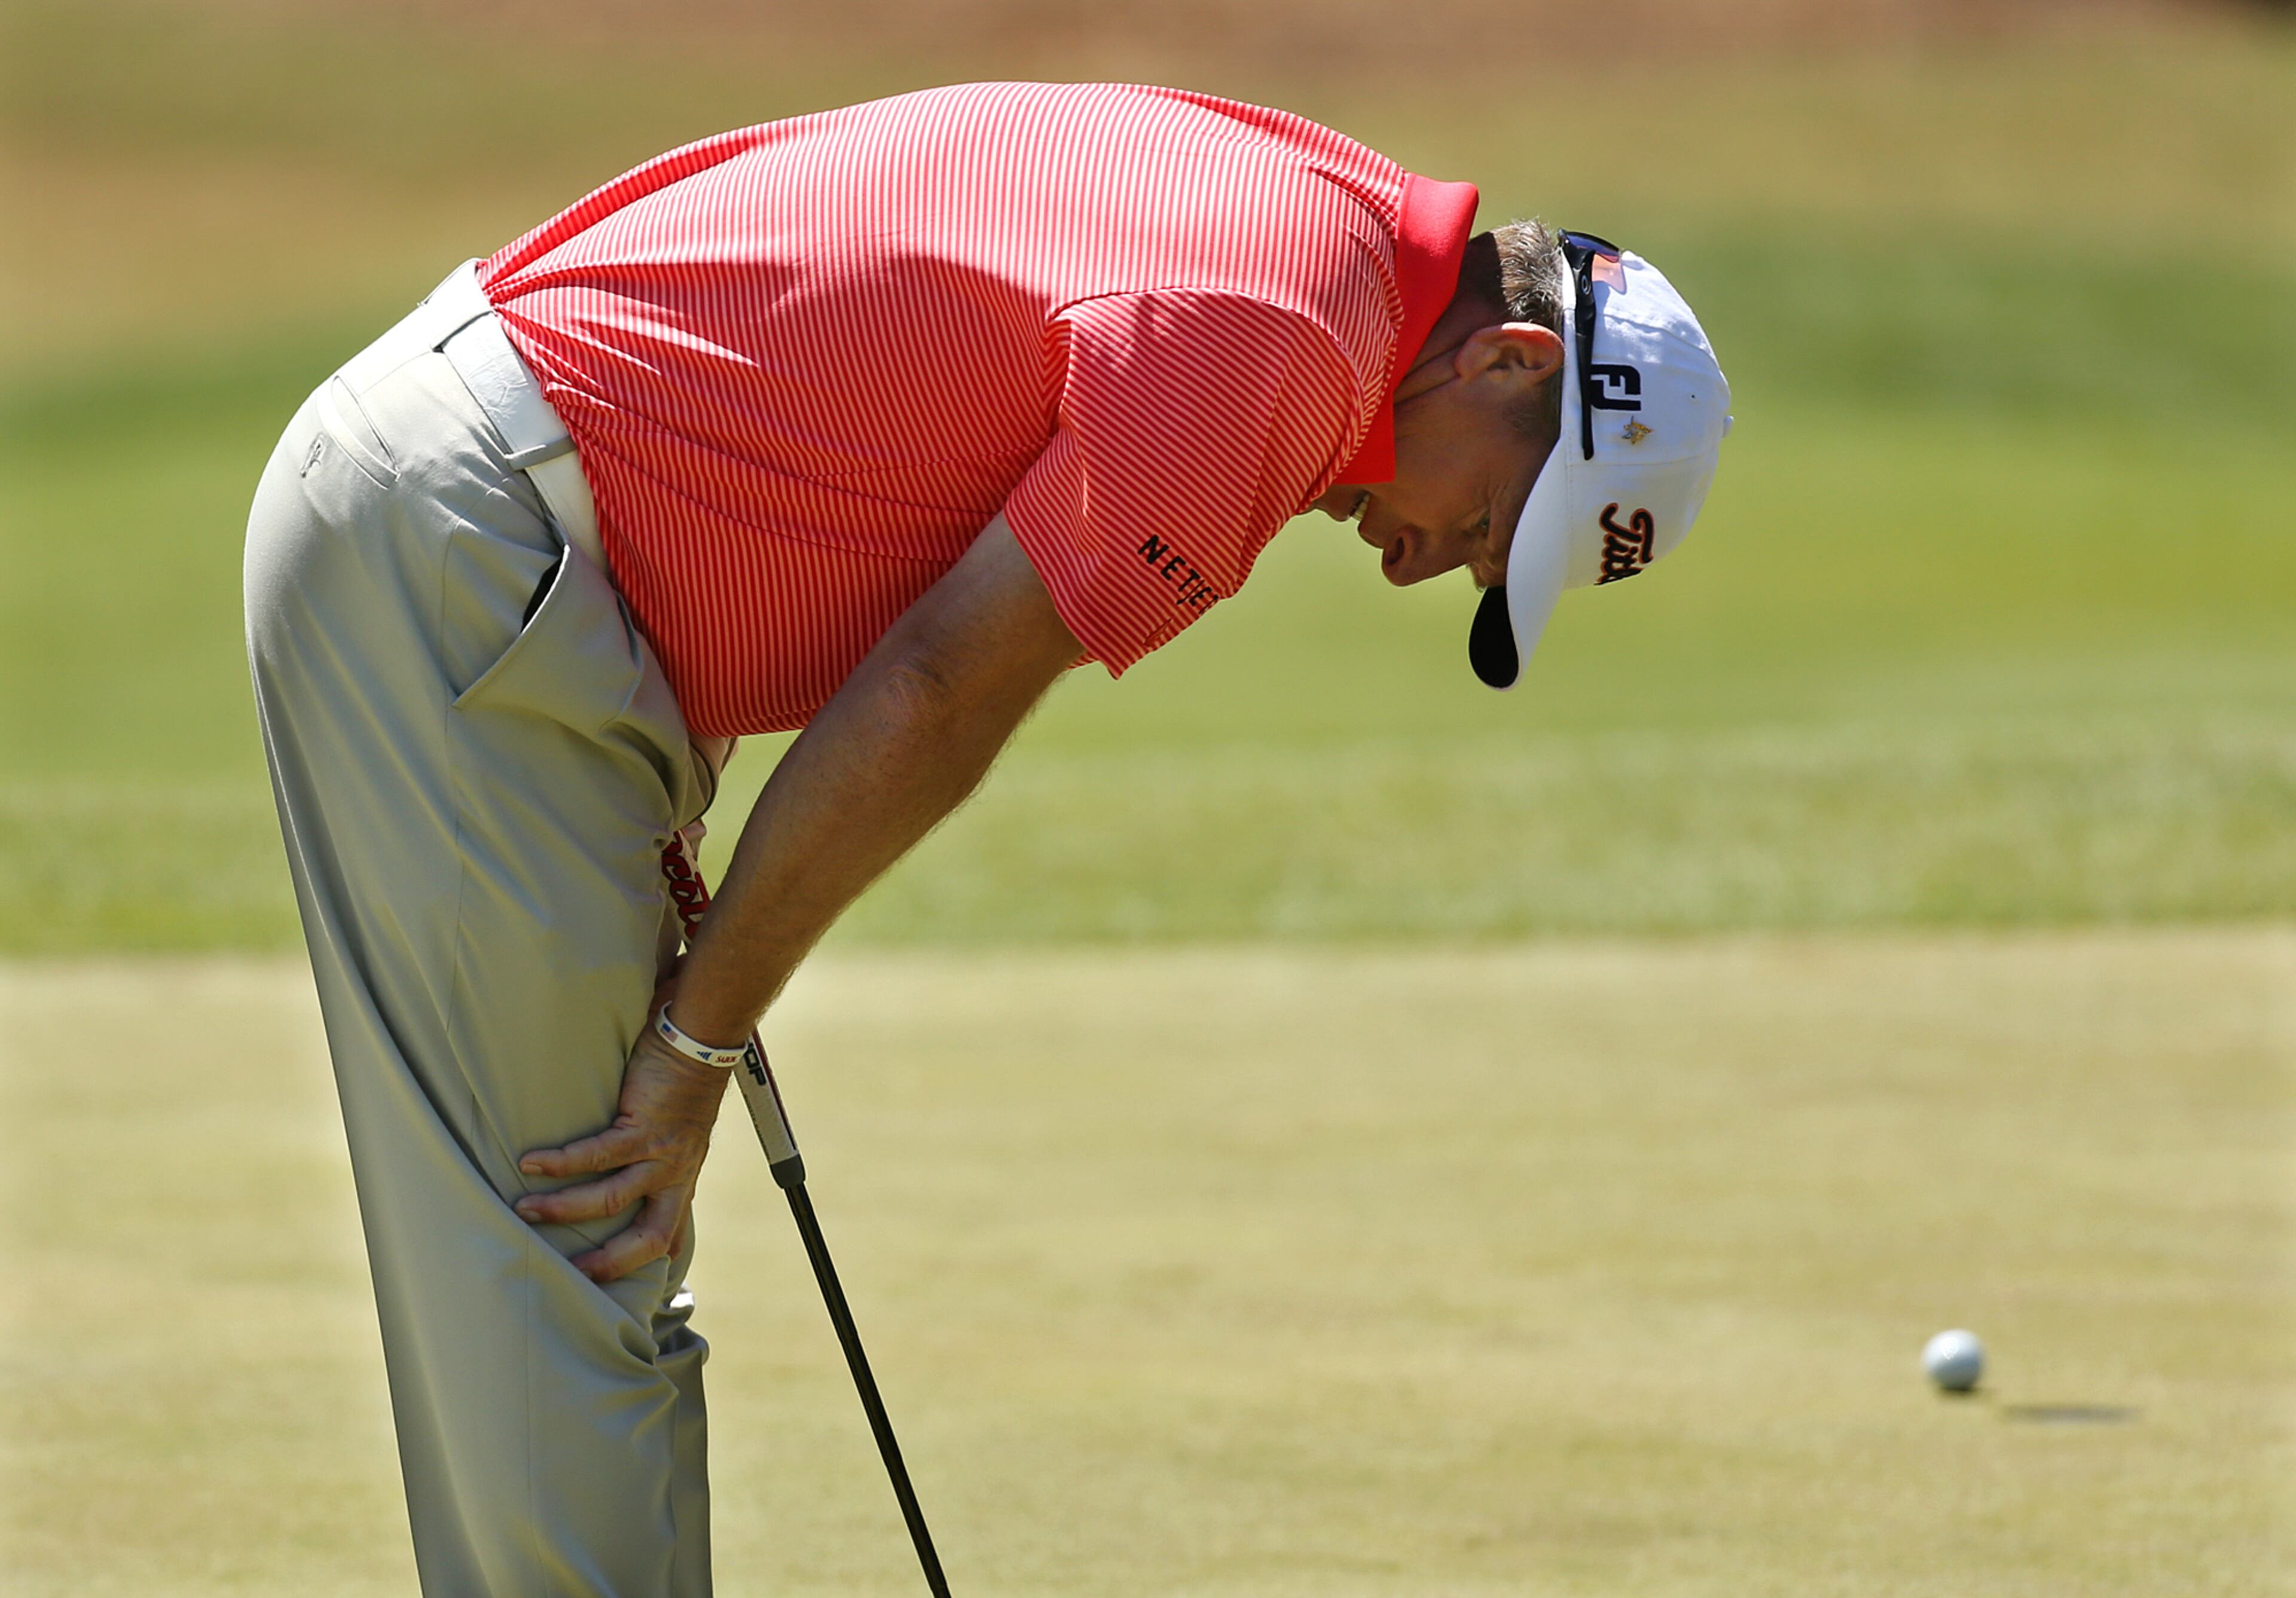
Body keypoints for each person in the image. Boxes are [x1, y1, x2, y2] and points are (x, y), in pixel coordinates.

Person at [243, 80, 1729, 1596]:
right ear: (1508, 359)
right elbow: (940, 691)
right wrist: (693, 1048)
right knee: (573, 1239)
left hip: (518, 555)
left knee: (584, 1254)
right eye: (1494, 523)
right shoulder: (1278, 337)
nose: (1433, 569)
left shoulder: (1320, 230)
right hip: (487, 546)